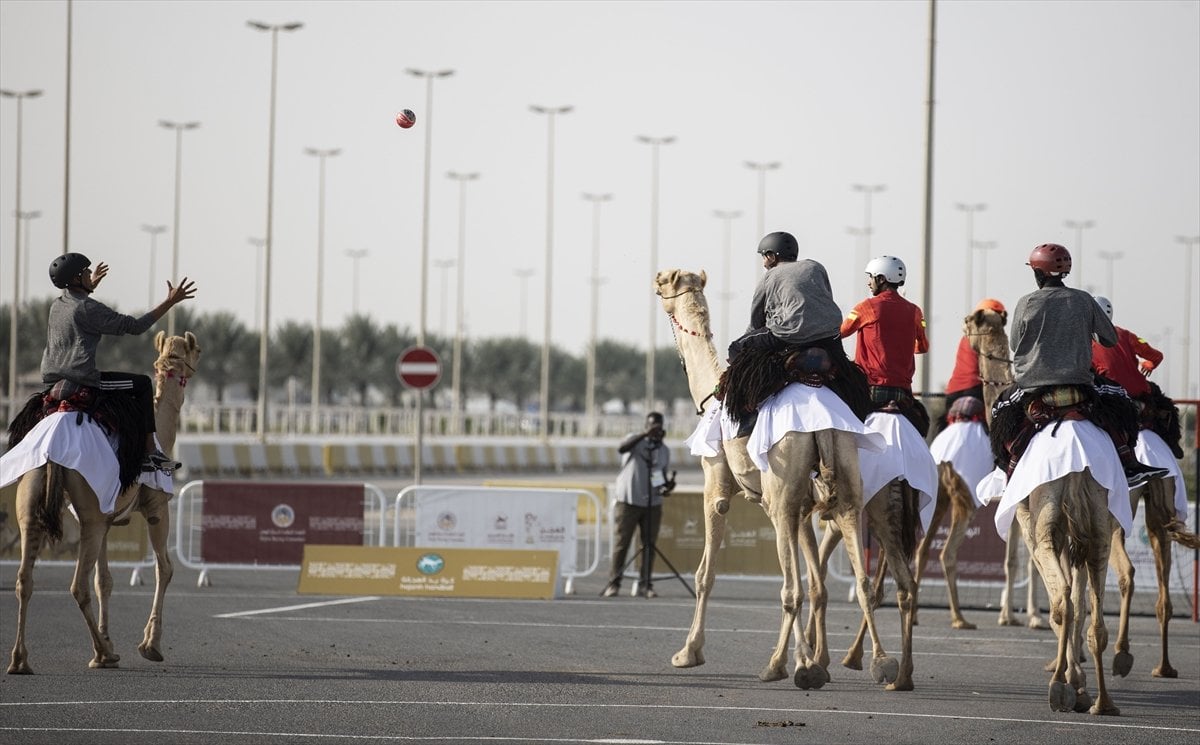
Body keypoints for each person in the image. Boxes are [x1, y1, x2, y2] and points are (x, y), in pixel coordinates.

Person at [996, 243, 1166, 487]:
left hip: (1032, 387)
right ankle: (1129, 464)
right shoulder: (1084, 300)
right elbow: (1109, 339)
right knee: (1122, 403)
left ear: (1038, 272)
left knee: (999, 412)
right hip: (1080, 382)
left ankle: (1006, 470)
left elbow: (1015, 344)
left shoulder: (1026, 302)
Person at [40, 252, 197, 472]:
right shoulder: (89, 308)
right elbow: (135, 326)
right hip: (83, 380)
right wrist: (170, 301)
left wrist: (90, 285)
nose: (89, 273)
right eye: (85, 272)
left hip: (51, 383)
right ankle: (150, 453)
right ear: (76, 279)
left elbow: (77, 303)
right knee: (142, 384)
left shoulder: (57, 305)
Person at [839, 255, 931, 435]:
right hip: (903, 394)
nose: (868, 282)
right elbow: (923, 347)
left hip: (870, 390)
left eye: (871, 277)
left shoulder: (865, 307)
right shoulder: (915, 311)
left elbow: (839, 333)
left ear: (881, 279)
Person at [603, 412, 675, 598]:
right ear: (646, 425)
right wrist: (645, 435)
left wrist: (665, 487)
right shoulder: (634, 441)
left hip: (652, 503)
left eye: (659, 426)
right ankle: (614, 583)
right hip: (628, 500)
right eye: (652, 426)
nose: (656, 430)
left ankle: (645, 585)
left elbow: (658, 476)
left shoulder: (663, 450)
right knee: (622, 543)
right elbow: (622, 449)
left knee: (649, 546)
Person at [1090, 296, 1161, 400]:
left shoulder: (1085, 341)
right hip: (1138, 393)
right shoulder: (1126, 335)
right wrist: (1150, 364)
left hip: (1110, 396)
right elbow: (1157, 356)